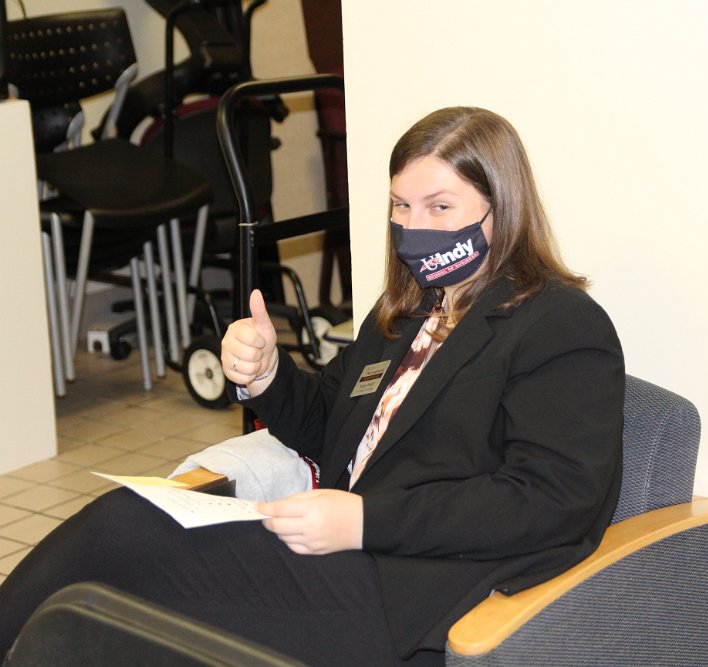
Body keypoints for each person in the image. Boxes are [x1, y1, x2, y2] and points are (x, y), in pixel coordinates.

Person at [0, 107, 625, 665]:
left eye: (440, 207)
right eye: (400, 206)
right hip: (339, 550)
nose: (414, 226)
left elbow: (551, 498)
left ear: (501, 208)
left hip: (414, 585)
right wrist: (267, 374)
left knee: (136, 582)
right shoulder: (409, 310)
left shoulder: (559, 323)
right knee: (129, 519)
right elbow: (331, 421)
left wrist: (366, 521)